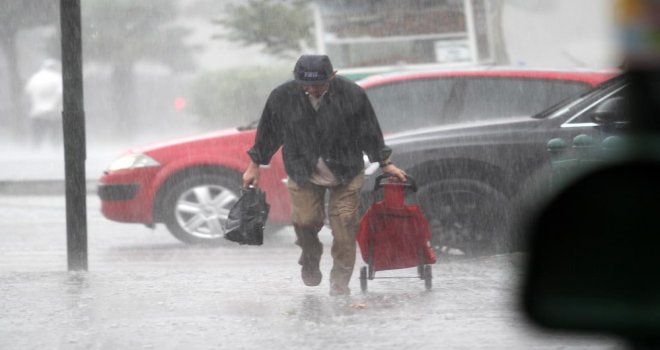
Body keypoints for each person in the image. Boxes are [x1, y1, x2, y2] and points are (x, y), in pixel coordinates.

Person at [242, 55, 406, 296]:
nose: (311, 89)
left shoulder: (352, 95)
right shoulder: (283, 97)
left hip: (346, 170)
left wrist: (385, 162)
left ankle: (340, 282)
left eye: (318, 84)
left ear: (333, 75)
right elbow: (268, 133)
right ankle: (310, 257)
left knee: (344, 227)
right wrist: (254, 164)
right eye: (305, 85)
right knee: (304, 222)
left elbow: (369, 131)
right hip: (302, 169)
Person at [24, 59, 63, 148]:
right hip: (53, 111)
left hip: (37, 112)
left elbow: (28, 92)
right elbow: (61, 94)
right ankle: (56, 152)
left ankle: (36, 153)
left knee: (37, 138)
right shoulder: (57, 77)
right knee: (56, 138)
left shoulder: (35, 77)